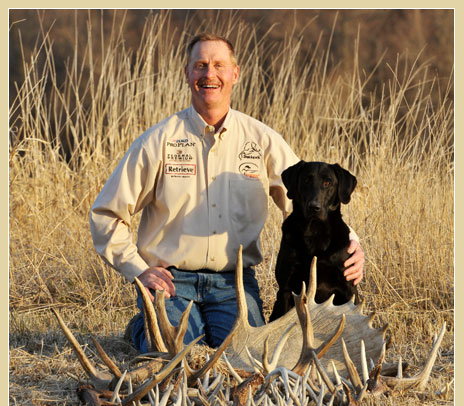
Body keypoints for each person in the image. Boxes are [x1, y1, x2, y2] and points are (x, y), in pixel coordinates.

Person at [89, 33, 365, 353]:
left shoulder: (262, 140)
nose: (210, 74)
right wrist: (139, 270)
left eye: (219, 65)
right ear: (187, 74)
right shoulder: (158, 141)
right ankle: (144, 327)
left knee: (250, 356)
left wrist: (352, 243)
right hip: (171, 282)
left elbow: (310, 200)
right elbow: (105, 214)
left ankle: (188, 327)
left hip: (232, 284)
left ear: (235, 74)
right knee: (178, 352)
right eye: (201, 65)